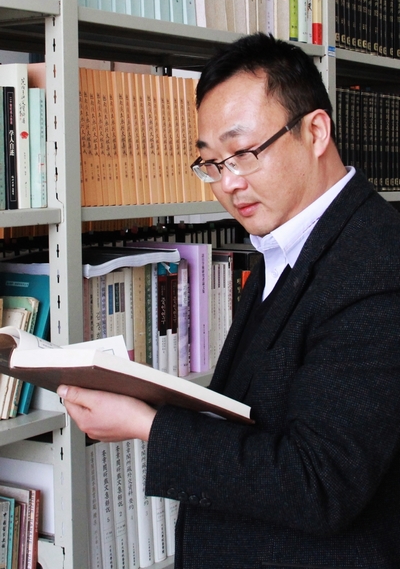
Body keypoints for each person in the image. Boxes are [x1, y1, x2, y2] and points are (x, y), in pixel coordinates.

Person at [58, 33, 400, 568]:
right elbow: (257, 414)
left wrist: (147, 425)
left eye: (243, 154)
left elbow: (319, 482)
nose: (228, 183)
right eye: (211, 163)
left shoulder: (377, 263)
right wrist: (151, 397)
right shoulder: (283, 240)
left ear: (315, 131)